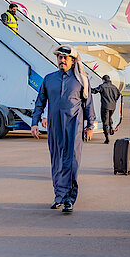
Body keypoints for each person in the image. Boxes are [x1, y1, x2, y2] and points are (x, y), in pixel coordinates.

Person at [31, 45, 95, 214]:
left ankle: (69, 199)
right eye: (60, 57)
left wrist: (90, 125)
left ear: (73, 60)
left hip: (74, 125)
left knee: (71, 161)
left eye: (65, 58)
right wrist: (34, 122)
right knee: (57, 161)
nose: (62, 60)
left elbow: (88, 104)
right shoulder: (49, 79)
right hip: (55, 125)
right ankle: (59, 196)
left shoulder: (81, 80)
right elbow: (40, 102)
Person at [91, 75, 122, 143]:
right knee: (109, 117)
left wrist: (87, 89)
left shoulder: (102, 86)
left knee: (105, 122)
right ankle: (111, 127)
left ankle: (107, 138)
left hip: (105, 106)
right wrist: (114, 100)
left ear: (103, 80)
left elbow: (95, 91)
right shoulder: (114, 87)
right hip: (113, 106)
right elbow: (119, 94)